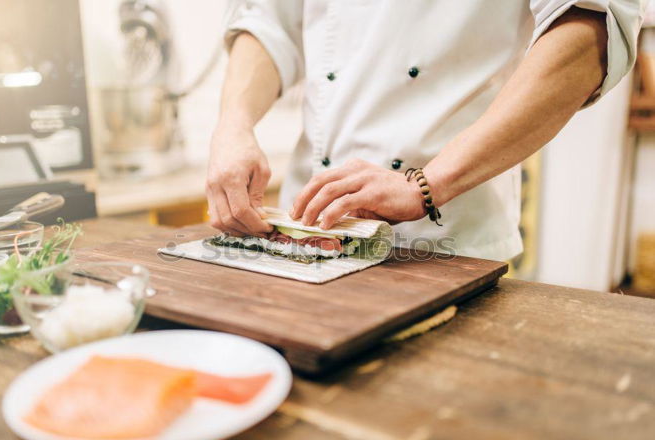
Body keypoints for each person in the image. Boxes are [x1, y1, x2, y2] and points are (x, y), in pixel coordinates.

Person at [207, 0, 644, 260]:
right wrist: (233, 124)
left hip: (443, 243)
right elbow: (269, 21)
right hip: (304, 235)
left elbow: (591, 27)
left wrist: (426, 184)